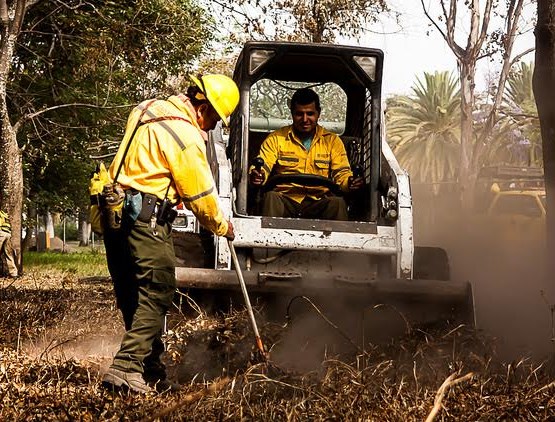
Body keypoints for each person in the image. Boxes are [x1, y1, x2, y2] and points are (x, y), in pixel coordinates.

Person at [101, 74, 239, 394]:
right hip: (144, 216)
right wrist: (221, 226)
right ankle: (125, 367)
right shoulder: (187, 136)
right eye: (215, 120)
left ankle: (150, 370)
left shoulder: (147, 108)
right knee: (158, 290)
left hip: (113, 210)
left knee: (133, 292)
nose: (211, 127)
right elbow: (200, 197)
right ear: (204, 107)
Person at [249, 88, 363, 220]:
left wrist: (350, 182)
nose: (305, 119)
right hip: (285, 200)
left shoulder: (332, 141)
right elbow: (264, 164)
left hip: (319, 201)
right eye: (299, 114)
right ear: (292, 114)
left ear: (318, 114)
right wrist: (258, 175)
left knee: (337, 203)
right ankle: (266, 239)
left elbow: (342, 173)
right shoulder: (276, 138)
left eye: (310, 114)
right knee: (270, 197)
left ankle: (341, 240)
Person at [0, 209, 18, 278]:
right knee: (9, 254)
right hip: (7, 234)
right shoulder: (4, 214)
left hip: (1, 234)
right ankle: (14, 274)